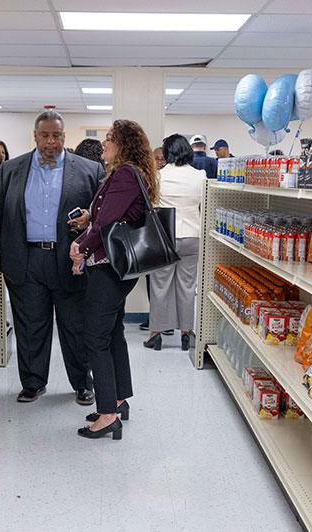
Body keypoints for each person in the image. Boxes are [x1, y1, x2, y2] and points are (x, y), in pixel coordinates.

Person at [0, 110, 104, 405]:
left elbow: (104, 218)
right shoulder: (11, 170)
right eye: (45, 135)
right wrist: (6, 260)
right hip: (26, 261)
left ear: (65, 137)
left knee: (76, 327)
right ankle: (32, 383)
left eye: (56, 135)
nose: (50, 142)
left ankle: (82, 383)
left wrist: (88, 225)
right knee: (30, 326)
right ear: (35, 136)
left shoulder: (89, 170)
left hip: (70, 262)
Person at [70, 119, 159, 440]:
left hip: (109, 268)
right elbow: (107, 215)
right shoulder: (124, 175)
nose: (103, 144)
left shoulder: (124, 174)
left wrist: (80, 246)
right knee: (113, 332)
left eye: (109, 139)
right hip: (116, 267)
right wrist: (89, 219)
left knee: (94, 337)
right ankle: (119, 399)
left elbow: (108, 222)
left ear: (123, 145)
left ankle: (107, 413)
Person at [145, 134, 203, 352]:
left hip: (166, 237)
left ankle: (156, 334)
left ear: (167, 152)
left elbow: (152, 206)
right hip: (192, 236)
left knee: (160, 286)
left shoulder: (158, 177)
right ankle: (186, 334)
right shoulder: (200, 176)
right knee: (188, 287)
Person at [139, 146, 172, 336]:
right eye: (156, 159)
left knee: (161, 282)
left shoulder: (166, 179)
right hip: (150, 236)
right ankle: (157, 318)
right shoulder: (148, 179)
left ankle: (163, 322)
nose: (159, 162)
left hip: (163, 235)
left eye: (162, 159)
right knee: (152, 280)